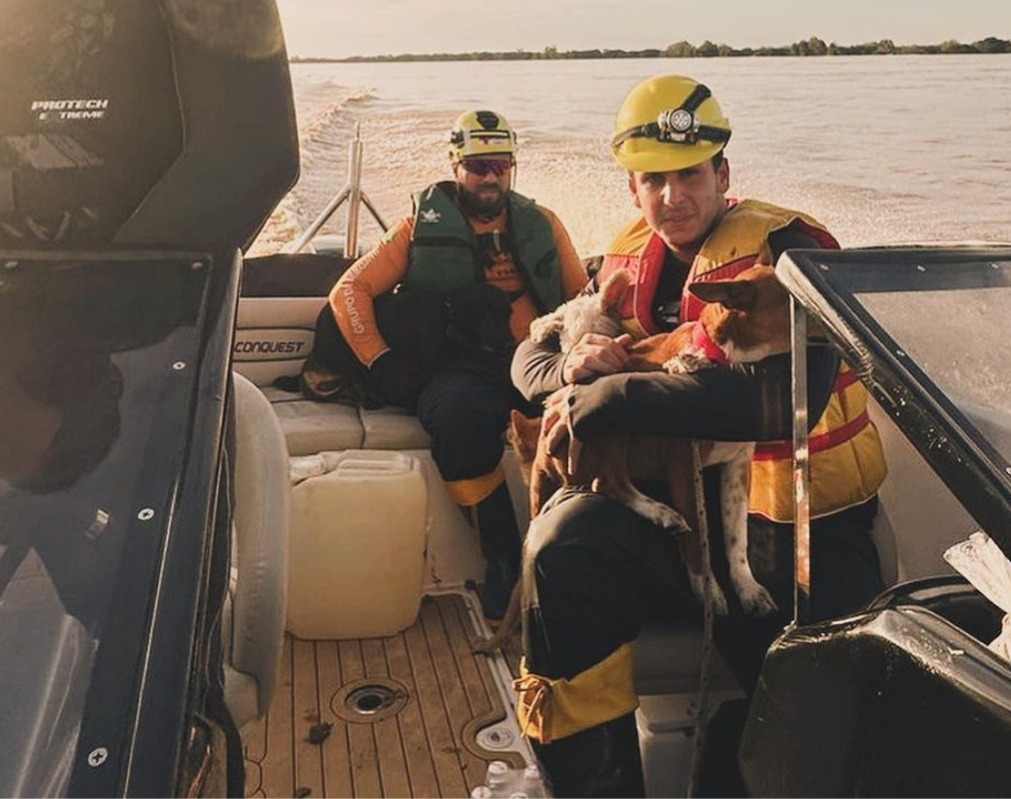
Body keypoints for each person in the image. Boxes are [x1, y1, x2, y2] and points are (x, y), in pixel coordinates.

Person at [509, 75, 888, 796]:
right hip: (677, 518)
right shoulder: (620, 257)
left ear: (723, 174)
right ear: (632, 189)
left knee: (830, 728)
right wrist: (568, 370)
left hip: (799, 533)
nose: (672, 197)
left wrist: (618, 392)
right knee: (562, 550)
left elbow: (785, 398)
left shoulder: (791, 251)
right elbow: (527, 354)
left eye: (688, 175)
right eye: (654, 179)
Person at [327, 110, 588, 619]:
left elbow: (581, 296)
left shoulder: (544, 224)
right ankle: (504, 561)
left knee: (595, 409)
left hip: (535, 359)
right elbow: (349, 291)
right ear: (455, 165)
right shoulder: (415, 228)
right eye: (477, 165)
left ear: (512, 167)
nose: (489, 177)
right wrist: (380, 362)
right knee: (457, 419)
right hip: (461, 367)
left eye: (499, 164)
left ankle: (577, 561)